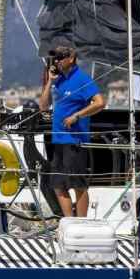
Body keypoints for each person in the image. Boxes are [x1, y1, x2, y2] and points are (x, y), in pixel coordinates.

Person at [38, 43, 105, 218]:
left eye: (60, 57)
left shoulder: (82, 79)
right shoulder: (57, 80)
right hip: (58, 139)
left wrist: (77, 116)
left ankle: (81, 222)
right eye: (55, 58)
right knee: (57, 185)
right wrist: (49, 82)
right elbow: (43, 107)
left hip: (75, 140)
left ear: (71, 58)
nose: (56, 61)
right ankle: (69, 221)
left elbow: (100, 103)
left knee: (78, 185)